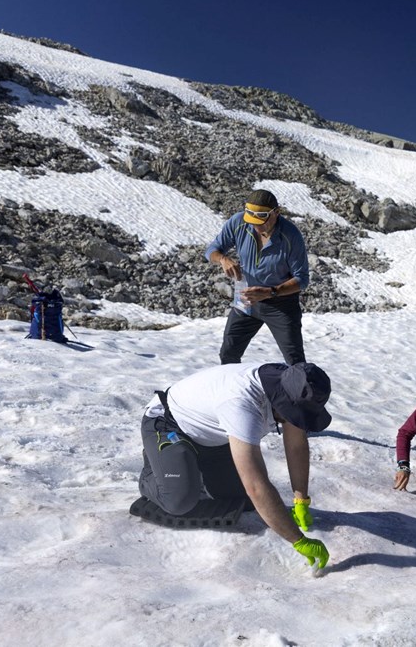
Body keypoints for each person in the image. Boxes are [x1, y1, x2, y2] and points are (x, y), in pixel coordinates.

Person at [136, 361, 332, 570]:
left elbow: (296, 446)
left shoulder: (292, 385)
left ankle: (186, 464)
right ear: (283, 402)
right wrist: (298, 540)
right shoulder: (242, 405)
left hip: (214, 436)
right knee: (180, 501)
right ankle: (156, 467)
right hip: (168, 424)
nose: (296, 421)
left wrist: (300, 499)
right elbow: (256, 486)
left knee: (241, 500)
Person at [206, 189, 310, 365]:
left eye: (261, 221)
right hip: (246, 301)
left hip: (281, 304)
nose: (256, 226)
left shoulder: (291, 236)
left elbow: (302, 279)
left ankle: (304, 391)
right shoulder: (239, 222)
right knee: (228, 355)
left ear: (276, 213)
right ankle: (233, 391)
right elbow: (211, 251)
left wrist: (271, 292)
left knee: (295, 361)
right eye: (251, 221)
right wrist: (223, 259)